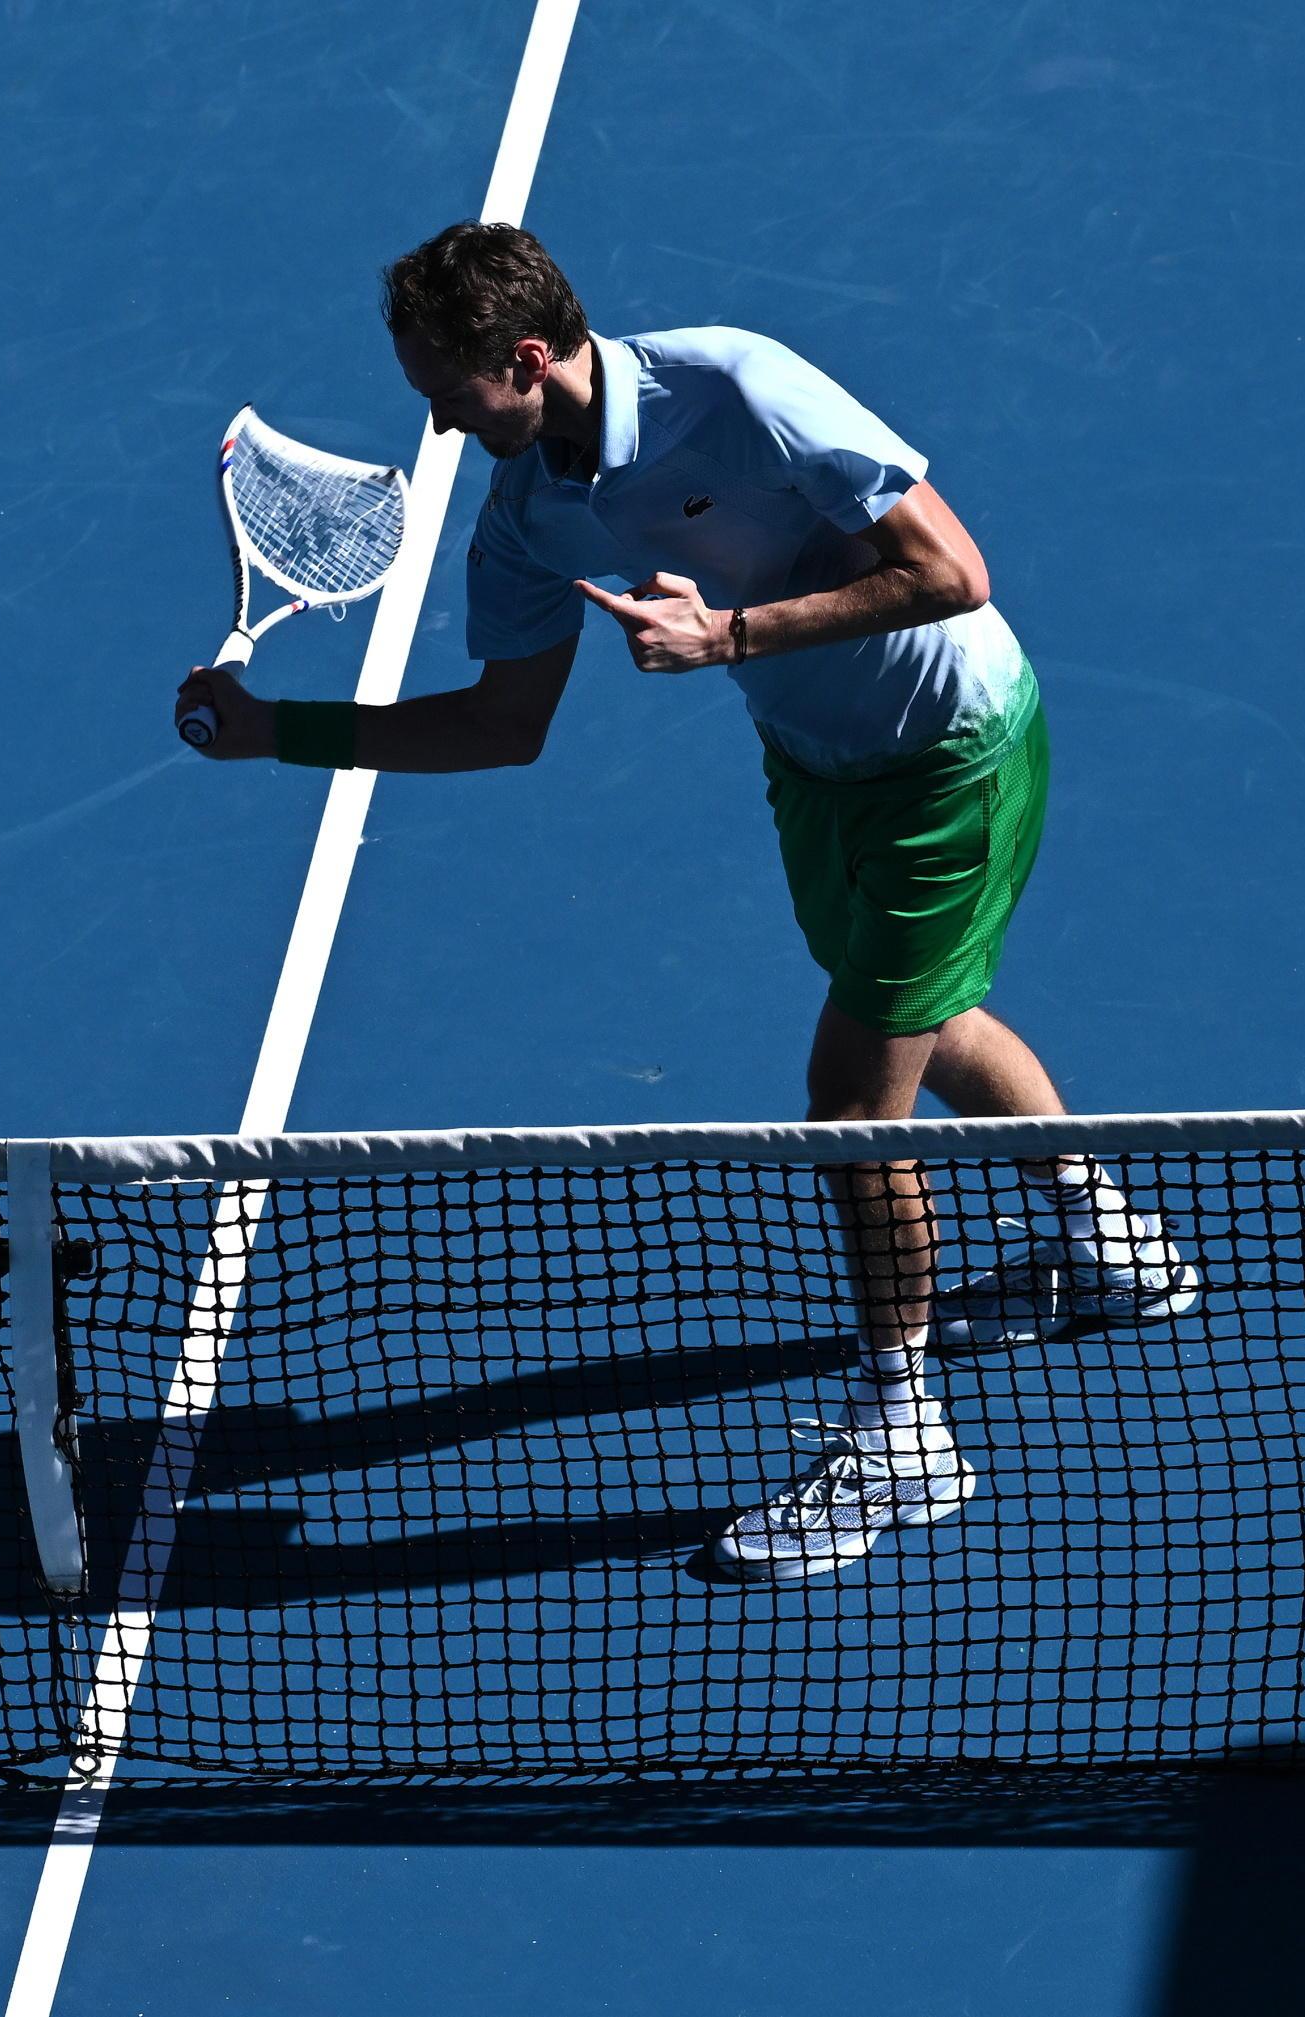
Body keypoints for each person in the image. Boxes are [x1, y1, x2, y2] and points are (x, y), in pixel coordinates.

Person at [174, 221, 1198, 1581]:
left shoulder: (737, 385)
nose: (430, 423)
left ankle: (906, 1440)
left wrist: (728, 637)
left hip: (951, 750)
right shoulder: (529, 517)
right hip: (820, 763)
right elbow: (500, 724)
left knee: (849, 1106)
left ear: (527, 360)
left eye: (447, 390)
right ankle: (1112, 1239)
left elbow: (954, 571)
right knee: (926, 1016)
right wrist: (278, 736)